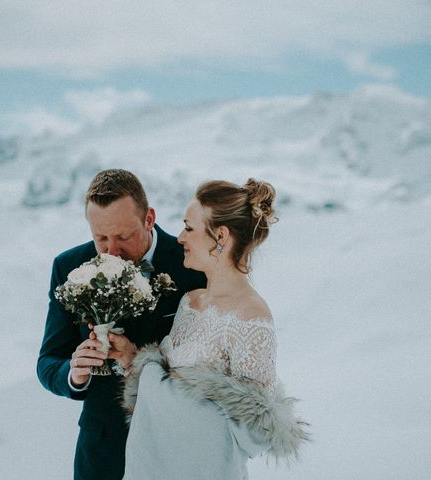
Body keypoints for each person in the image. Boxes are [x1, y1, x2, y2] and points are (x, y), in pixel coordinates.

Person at [114, 178, 309, 479]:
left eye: (189, 227)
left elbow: (255, 429)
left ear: (220, 236)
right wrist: (132, 358)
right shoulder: (190, 301)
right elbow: (168, 384)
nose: (180, 237)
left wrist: (159, 387)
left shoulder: (251, 316)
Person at [37, 169, 206, 480]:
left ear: (149, 218)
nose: (111, 251)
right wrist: (75, 374)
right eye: (100, 237)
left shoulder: (192, 265)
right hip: (104, 454)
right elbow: (47, 363)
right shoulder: (68, 266)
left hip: (175, 448)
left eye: (123, 236)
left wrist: (139, 359)